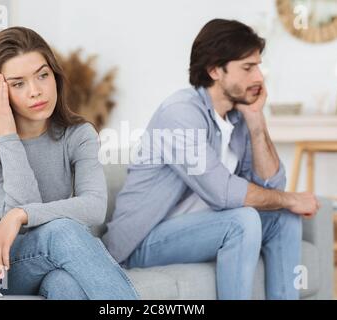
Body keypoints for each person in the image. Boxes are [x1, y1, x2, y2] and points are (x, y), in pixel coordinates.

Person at [102, 19, 320, 300]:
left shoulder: (237, 116)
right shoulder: (180, 113)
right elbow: (222, 192)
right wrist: (290, 198)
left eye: (258, 66)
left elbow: (272, 183)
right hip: (144, 240)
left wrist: (256, 121)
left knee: (283, 218)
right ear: (215, 70)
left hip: (202, 229)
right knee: (242, 220)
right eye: (248, 67)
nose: (259, 78)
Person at [0, 26, 138, 300]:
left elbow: (95, 207)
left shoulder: (78, 134)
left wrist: (19, 215)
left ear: (55, 75)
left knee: (65, 285)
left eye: (42, 75)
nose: (36, 91)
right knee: (61, 231)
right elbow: (26, 222)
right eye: (18, 83)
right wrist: (7, 136)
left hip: (51, 260)